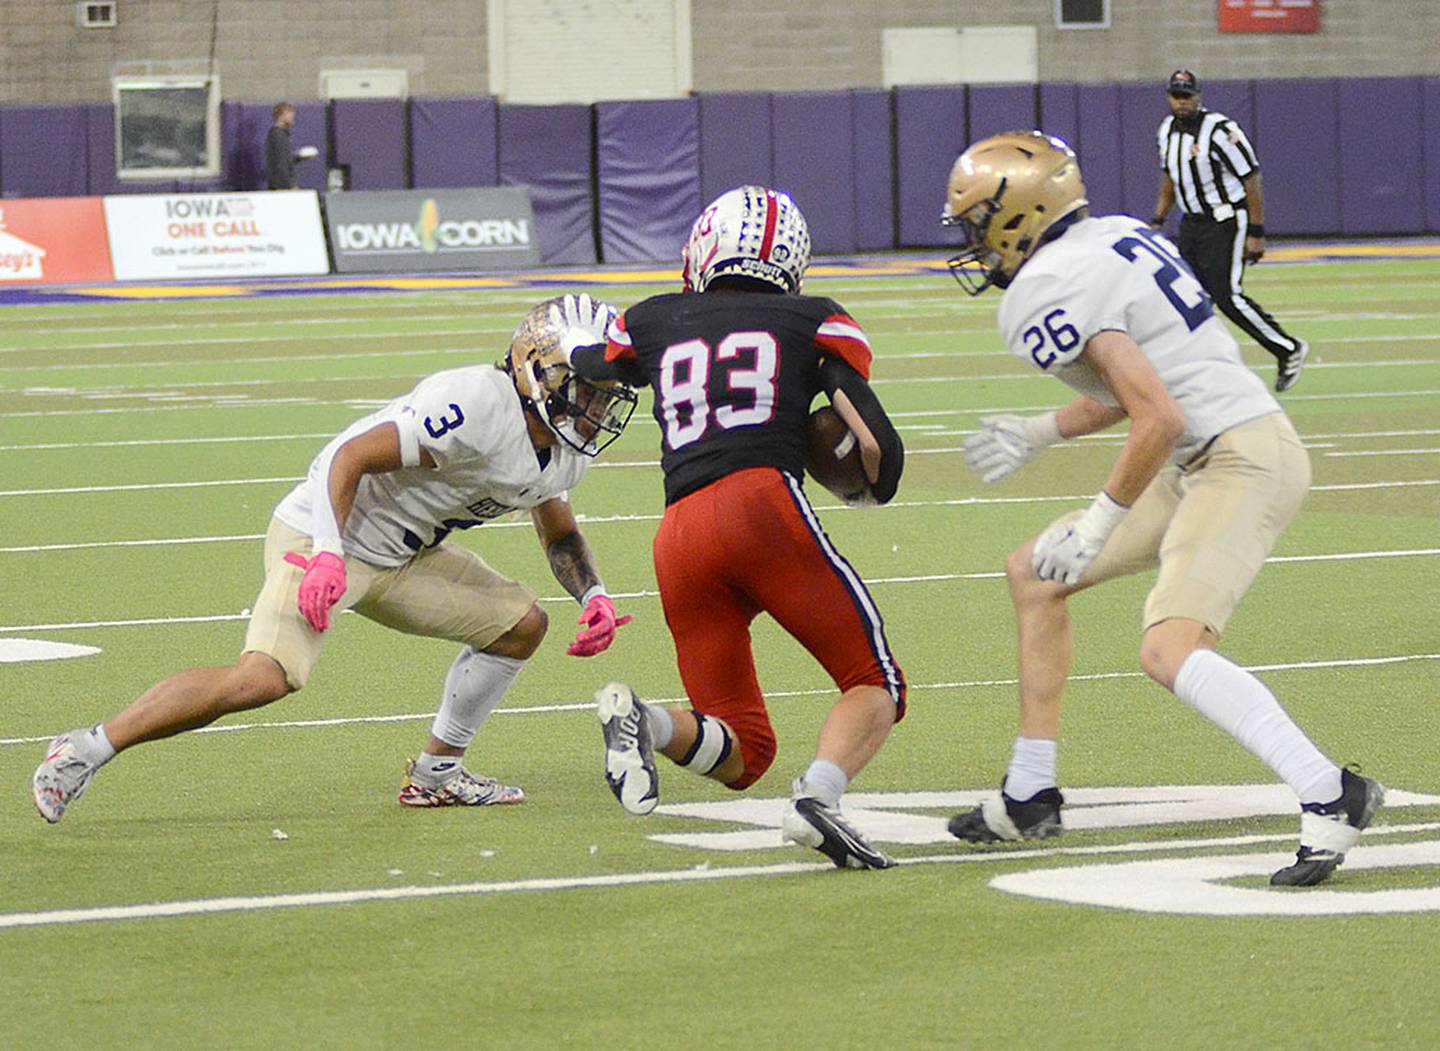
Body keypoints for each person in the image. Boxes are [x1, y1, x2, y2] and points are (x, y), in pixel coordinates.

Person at [939, 131, 1382, 887]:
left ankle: (1330, 792)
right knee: (1035, 575)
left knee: (1168, 647)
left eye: (982, 222)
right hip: (1207, 451)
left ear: (1020, 213)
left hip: (1237, 457)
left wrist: (1098, 522)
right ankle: (1030, 792)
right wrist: (1041, 430)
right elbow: (1147, 384)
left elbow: (1156, 414)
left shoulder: (1049, 286)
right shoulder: (1114, 235)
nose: (978, 243)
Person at [33, 295, 639, 823]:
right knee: (264, 678)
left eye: (608, 393)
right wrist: (327, 555)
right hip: (325, 533)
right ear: (542, 372)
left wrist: (595, 595)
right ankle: (84, 750)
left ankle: (436, 776)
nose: (599, 407)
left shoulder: (564, 451)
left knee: (520, 626)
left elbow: (558, 533)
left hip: (403, 557)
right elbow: (343, 457)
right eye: (590, 389)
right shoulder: (477, 403)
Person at [566, 186, 908, 870]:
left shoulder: (652, 318)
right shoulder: (813, 318)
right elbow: (881, 451)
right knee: (876, 681)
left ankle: (645, 719)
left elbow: (593, 365)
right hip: (761, 504)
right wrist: (859, 478)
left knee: (746, 750)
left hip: (680, 534)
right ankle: (818, 797)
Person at [1149, 69, 1308, 393]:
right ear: (1168, 98)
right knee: (1185, 296)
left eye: (1187, 96)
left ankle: (1287, 348)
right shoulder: (1167, 131)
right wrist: (1157, 220)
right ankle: (1201, 369)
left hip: (1225, 221)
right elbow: (1169, 177)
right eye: (1176, 96)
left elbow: (1251, 178)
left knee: (1227, 296)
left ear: (1198, 97)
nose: (1182, 102)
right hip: (1191, 223)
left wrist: (1256, 230)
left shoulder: (1220, 130)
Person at [265, 102, 318, 190]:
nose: (293, 116)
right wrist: (289, 186)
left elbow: (285, 159)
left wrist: (299, 156)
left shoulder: (281, 135)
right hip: (282, 188)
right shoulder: (278, 135)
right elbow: (280, 164)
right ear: (281, 116)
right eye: (289, 113)